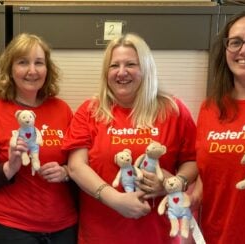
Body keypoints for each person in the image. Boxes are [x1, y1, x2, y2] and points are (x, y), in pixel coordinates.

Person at [62, 33, 198, 244]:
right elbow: (76, 166)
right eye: (114, 65)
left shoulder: (173, 110)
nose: (122, 72)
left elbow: (193, 161)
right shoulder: (90, 111)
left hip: (158, 234)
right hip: (100, 235)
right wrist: (114, 199)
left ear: (145, 68)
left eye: (131, 64)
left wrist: (174, 183)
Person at [0, 33, 78, 244]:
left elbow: (78, 165)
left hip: (62, 227)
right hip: (7, 227)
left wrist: (64, 172)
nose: (32, 71)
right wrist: (9, 168)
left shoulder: (62, 110)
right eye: (23, 63)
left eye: (39, 63)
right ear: (10, 69)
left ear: (48, 69)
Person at [194, 10, 245, 244]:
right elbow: (205, 175)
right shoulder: (210, 108)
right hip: (215, 235)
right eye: (236, 42)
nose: (244, 50)